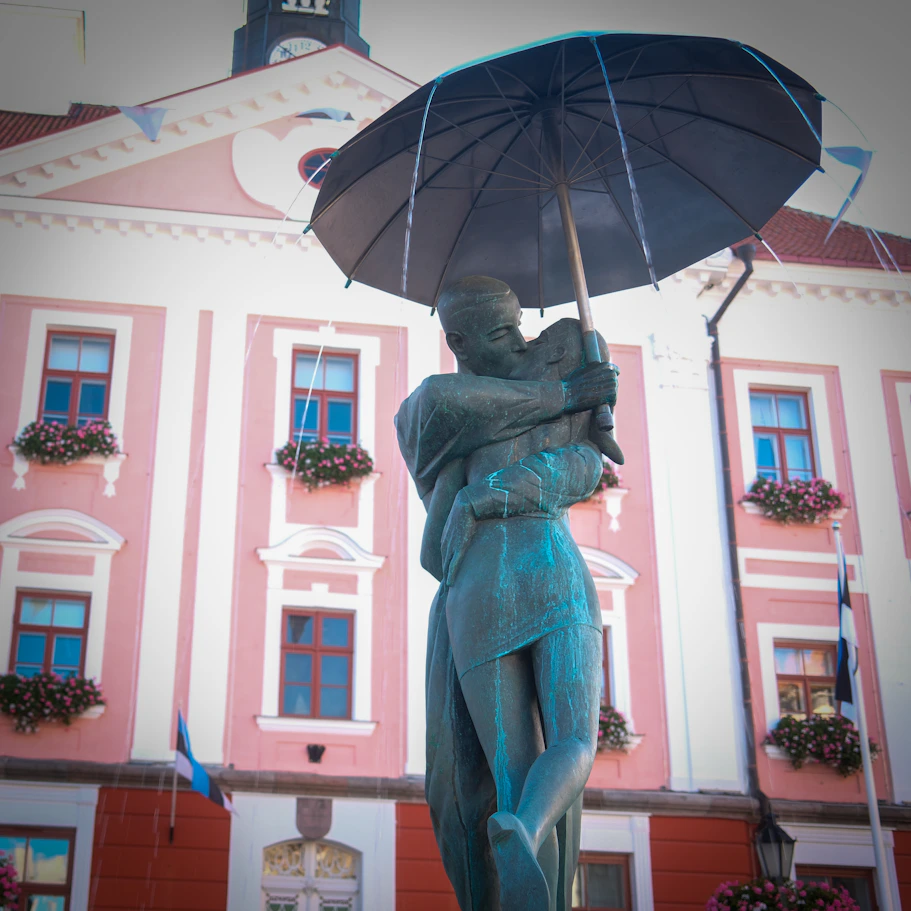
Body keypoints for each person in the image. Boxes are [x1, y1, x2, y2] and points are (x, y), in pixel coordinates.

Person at [395, 276, 620, 910]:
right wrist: (570, 397)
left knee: (512, 771)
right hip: (551, 570)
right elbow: (583, 468)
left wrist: (481, 494)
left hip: (481, 591)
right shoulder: (439, 404)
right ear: (457, 341)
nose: (520, 340)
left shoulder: (460, 433)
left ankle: (519, 833)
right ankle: (528, 828)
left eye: (520, 325)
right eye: (501, 333)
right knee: (574, 743)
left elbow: (587, 467)